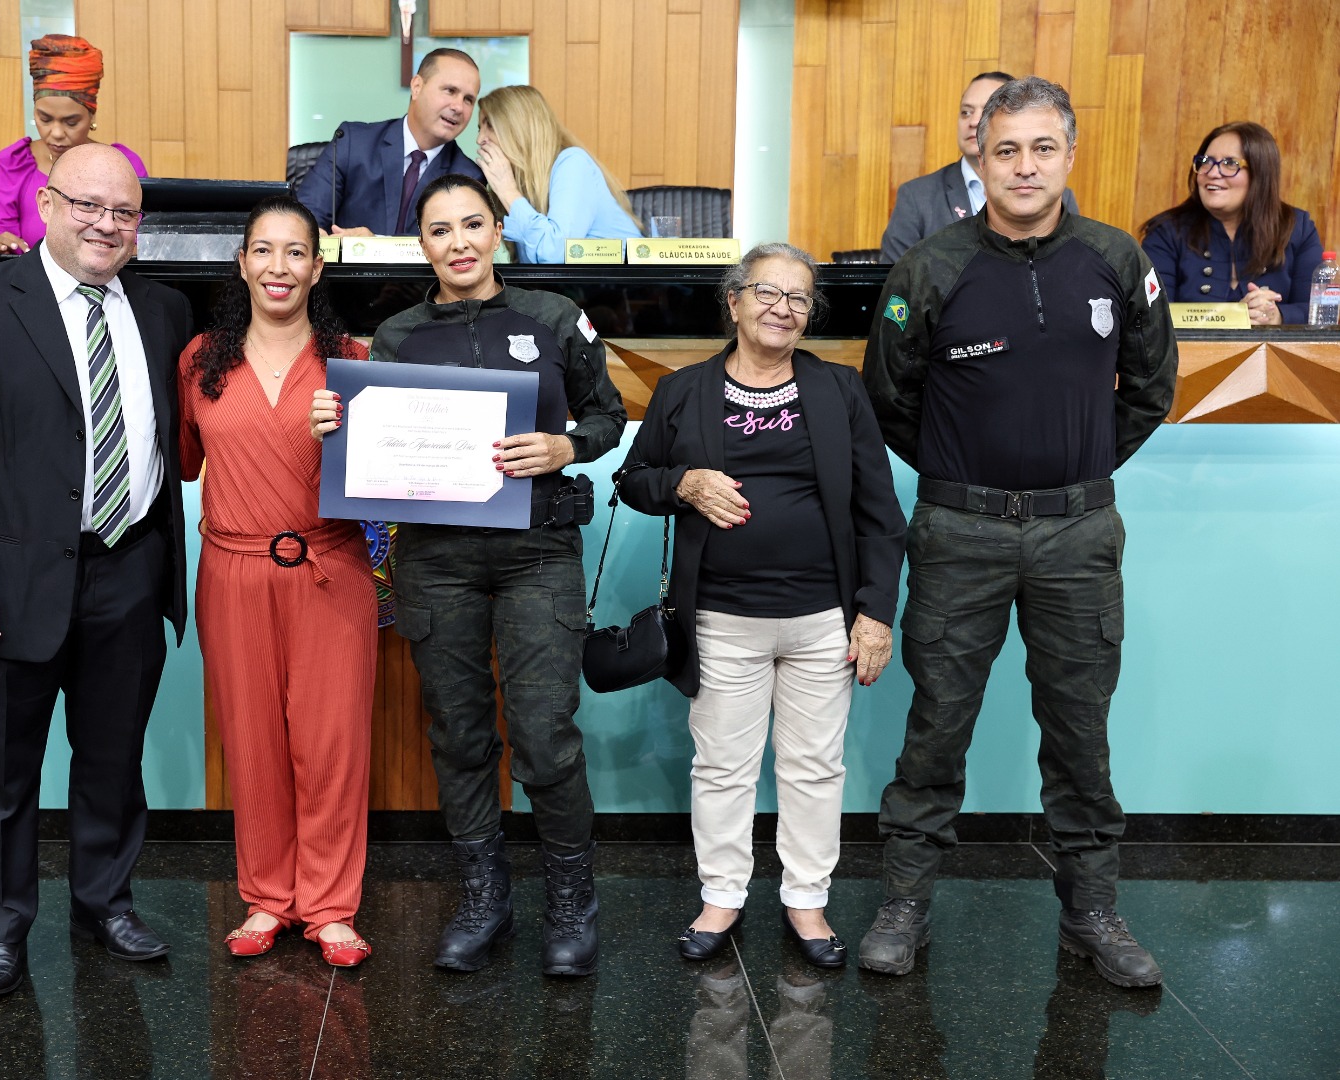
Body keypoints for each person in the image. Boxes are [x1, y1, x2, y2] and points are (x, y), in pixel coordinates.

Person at [860, 77, 1178, 989]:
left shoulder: (1116, 260)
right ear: (981, 158)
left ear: (1069, 154)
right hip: (959, 533)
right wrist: (965, 471)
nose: (1025, 167)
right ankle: (905, 904)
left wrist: (1078, 465)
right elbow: (891, 399)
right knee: (936, 726)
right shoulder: (930, 268)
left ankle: (1093, 911)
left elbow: (1152, 387)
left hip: (1079, 537)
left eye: (1043, 148)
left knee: (1081, 730)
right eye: (1007, 150)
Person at [311, 174, 626, 976]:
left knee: (545, 735)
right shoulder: (397, 336)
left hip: (537, 552)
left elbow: (608, 415)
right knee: (458, 734)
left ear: (497, 232)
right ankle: (486, 899)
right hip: (437, 560)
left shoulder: (553, 316)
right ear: (421, 244)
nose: (458, 243)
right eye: (440, 229)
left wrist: (565, 446)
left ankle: (572, 903)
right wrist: (336, 426)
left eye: (472, 224)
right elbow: (372, 449)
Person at [0, 143, 194, 998]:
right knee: (3, 770)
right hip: (10, 587)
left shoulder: (165, 309)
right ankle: (0, 929)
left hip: (129, 567)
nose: (106, 224)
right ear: (46, 205)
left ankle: (106, 902)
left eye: (124, 212)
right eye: (88, 205)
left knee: (112, 759)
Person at [617, 243, 905, 967]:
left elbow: (879, 511)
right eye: (767, 292)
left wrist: (875, 612)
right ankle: (721, 896)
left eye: (799, 298)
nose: (782, 308)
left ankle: (807, 901)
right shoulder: (684, 390)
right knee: (721, 767)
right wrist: (682, 484)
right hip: (721, 618)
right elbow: (633, 479)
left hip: (822, 620)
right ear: (734, 302)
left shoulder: (839, 390)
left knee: (815, 768)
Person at [179, 195, 376, 969]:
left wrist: (350, 434)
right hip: (231, 570)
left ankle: (330, 907)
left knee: (332, 744)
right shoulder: (200, 361)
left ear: (317, 269)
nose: (279, 267)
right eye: (264, 250)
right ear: (242, 263)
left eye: (296, 252)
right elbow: (184, 461)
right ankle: (267, 897)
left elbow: (383, 482)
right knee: (252, 738)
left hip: (330, 569)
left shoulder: (353, 362)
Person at [0, 34, 147, 255]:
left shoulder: (124, 166)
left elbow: (143, 241)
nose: (57, 133)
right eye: (44, 119)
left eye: (71, 122)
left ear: (91, 116)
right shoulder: (13, 164)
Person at [878, 72, 1079, 263]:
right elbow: (897, 278)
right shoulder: (917, 196)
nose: (974, 121)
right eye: (966, 112)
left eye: (985, 111)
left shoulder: (1058, 196)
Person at [1140, 121, 1325, 325]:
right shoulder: (1166, 232)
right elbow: (1152, 315)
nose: (1212, 173)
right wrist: (1235, 315)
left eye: (1230, 163)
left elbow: (1321, 311)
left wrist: (1278, 316)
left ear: (1260, 173)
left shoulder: (1296, 227)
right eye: (1205, 161)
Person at [294, 48, 484, 237]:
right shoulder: (353, 143)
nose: (458, 107)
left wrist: (374, 244)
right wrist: (315, 236)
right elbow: (304, 217)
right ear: (417, 87)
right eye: (450, 91)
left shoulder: (468, 176)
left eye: (468, 100)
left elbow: (453, 243)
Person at [473, 84, 641, 263]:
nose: (480, 139)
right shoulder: (522, 184)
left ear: (520, 129)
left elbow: (555, 255)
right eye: (479, 128)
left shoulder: (573, 162)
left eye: (490, 126)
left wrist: (507, 191)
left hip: (625, 279)